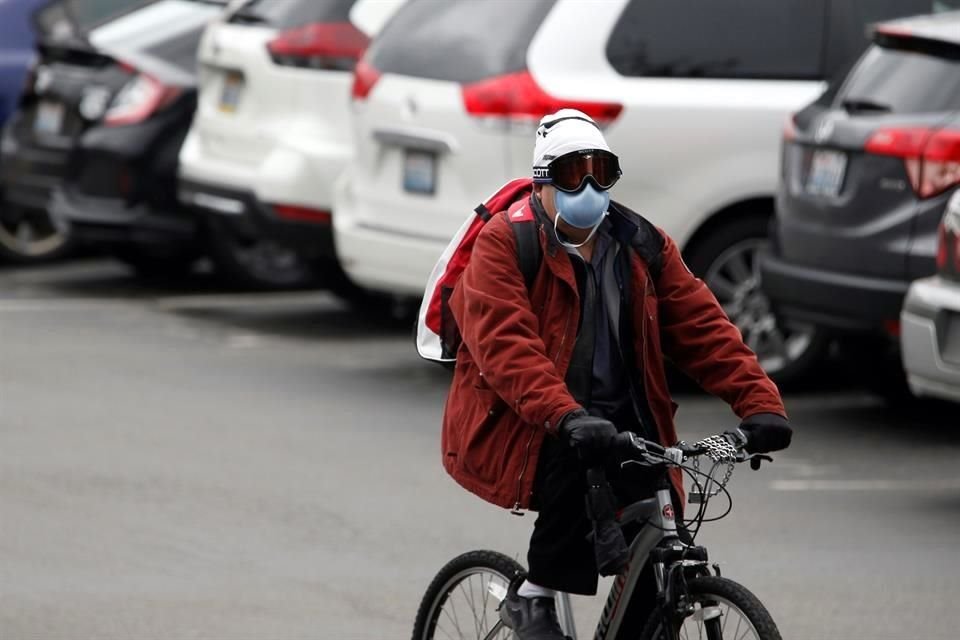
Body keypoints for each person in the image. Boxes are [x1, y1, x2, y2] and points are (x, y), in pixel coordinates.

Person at [440, 109, 792, 640]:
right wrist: (565, 415)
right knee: (578, 457)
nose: (589, 187)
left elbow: (703, 326)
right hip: (531, 420)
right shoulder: (505, 243)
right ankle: (533, 599)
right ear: (542, 184)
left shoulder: (641, 244)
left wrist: (760, 404)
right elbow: (506, 348)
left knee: (654, 558)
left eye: (601, 173)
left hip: (622, 420)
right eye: (571, 173)